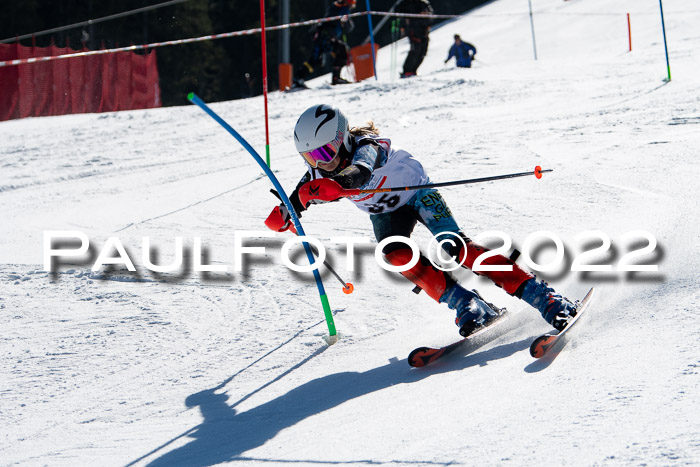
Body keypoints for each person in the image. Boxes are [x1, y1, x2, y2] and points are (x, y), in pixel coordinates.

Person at [264, 104, 578, 338]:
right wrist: (285, 214)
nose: (320, 163)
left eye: (325, 151)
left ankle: (543, 296)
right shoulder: (320, 170)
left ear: (343, 138)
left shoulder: (368, 146)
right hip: (385, 212)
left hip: (417, 193)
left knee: (456, 248)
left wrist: (333, 187)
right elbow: (298, 199)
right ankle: (468, 305)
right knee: (396, 256)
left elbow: (358, 174)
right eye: (311, 158)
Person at [293, 0, 356, 88]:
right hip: (324, 38)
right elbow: (347, 25)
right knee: (317, 59)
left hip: (327, 37)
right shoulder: (341, 8)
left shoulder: (338, 7)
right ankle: (298, 78)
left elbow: (346, 25)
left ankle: (336, 78)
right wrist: (345, 22)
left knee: (340, 51)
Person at [396, 0, 433, 78]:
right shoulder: (406, 3)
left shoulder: (424, 3)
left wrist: (428, 18)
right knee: (415, 50)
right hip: (413, 30)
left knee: (423, 51)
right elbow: (399, 12)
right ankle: (407, 71)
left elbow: (430, 14)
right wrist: (403, 25)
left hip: (424, 31)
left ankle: (413, 70)